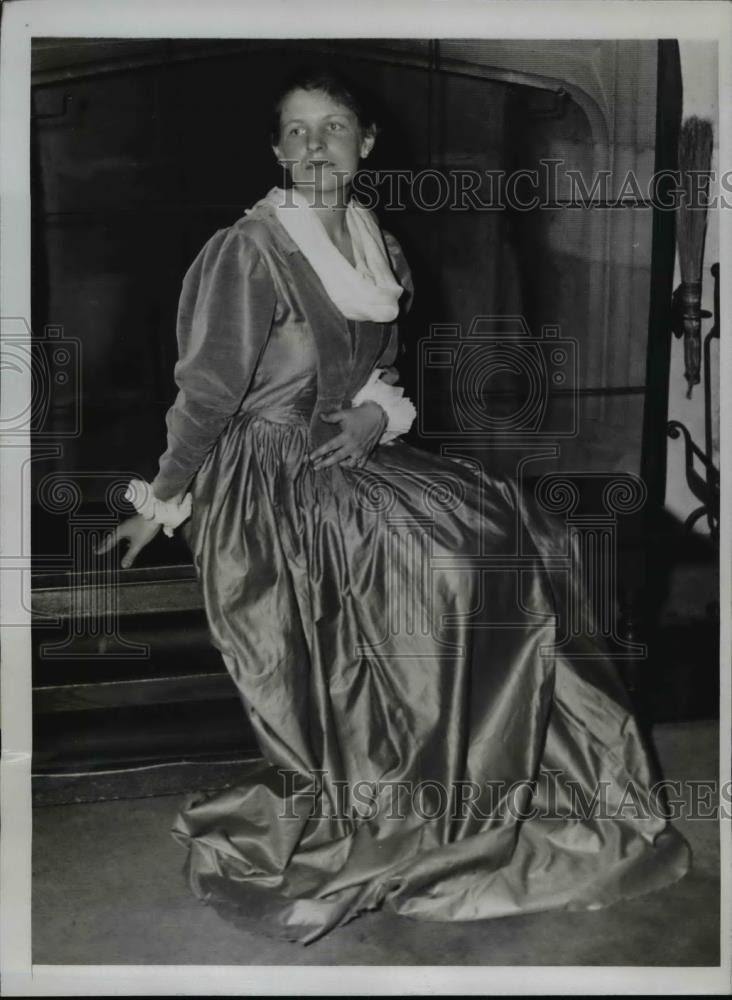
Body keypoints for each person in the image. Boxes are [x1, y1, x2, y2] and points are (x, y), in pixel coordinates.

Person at [95, 67, 690, 944]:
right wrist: (165, 500)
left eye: (332, 127)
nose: (313, 146)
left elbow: (380, 375)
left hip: (349, 447)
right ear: (274, 149)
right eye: (295, 131)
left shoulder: (376, 243)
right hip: (265, 474)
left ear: (366, 144)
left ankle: (534, 776)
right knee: (453, 565)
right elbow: (206, 398)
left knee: (524, 527)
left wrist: (377, 412)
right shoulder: (249, 250)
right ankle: (430, 784)